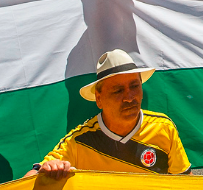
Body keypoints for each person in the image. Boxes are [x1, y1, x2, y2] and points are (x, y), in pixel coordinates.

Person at [29, 49, 190, 177]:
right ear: (99, 99)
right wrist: (47, 169)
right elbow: (30, 178)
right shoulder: (79, 141)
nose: (129, 97)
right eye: (118, 90)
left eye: (134, 86)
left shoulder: (164, 128)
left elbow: (186, 183)